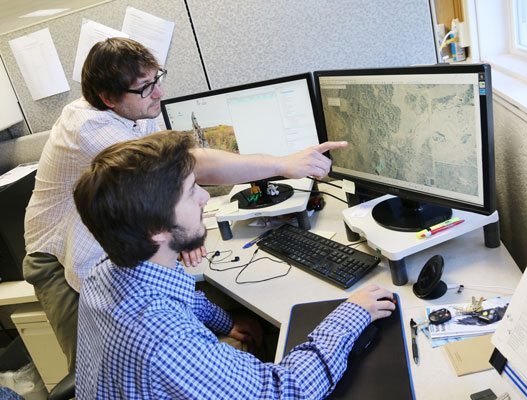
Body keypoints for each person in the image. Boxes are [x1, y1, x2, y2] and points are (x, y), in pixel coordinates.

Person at [22, 37, 346, 372]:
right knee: (101, 364)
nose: (159, 94)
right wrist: (284, 164)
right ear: (108, 98)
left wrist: (179, 234)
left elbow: (170, 164)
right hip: (62, 255)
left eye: (157, 79)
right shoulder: (88, 128)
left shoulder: (135, 108)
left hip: (124, 239)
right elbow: (183, 165)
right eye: (146, 88)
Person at [73, 130, 395, 399]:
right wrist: (353, 314)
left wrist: (226, 322)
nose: (204, 198)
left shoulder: (106, 270)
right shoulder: (163, 343)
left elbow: (185, 298)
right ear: (156, 231)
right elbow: (285, 392)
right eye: (190, 192)